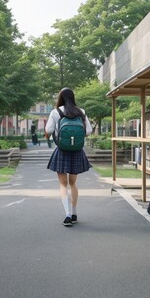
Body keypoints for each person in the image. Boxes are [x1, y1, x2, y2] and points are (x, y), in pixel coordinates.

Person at [45, 87, 92, 226]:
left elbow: (48, 130)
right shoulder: (81, 112)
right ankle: (74, 213)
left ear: (60, 97)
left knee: (63, 184)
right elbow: (88, 131)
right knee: (73, 183)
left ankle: (67, 215)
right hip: (77, 151)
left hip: (62, 150)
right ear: (73, 97)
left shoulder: (56, 112)